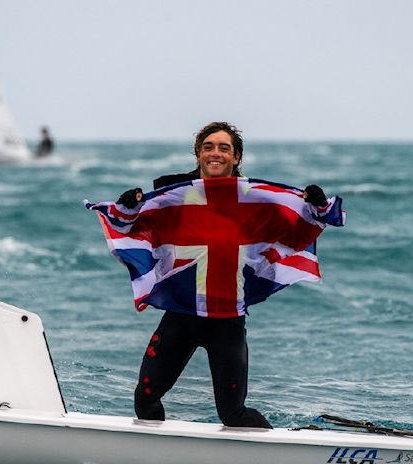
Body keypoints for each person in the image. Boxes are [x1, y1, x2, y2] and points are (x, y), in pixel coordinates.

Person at [116, 121, 328, 429]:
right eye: (208, 147)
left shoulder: (254, 199)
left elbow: (293, 236)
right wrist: (127, 209)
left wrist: (316, 208)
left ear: (237, 156)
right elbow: (135, 230)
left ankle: (284, 448)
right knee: (145, 398)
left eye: (224, 148)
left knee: (233, 414)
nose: (216, 154)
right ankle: (159, 458)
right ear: (198, 154)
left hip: (227, 320)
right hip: (181, 316)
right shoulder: (173, 195)